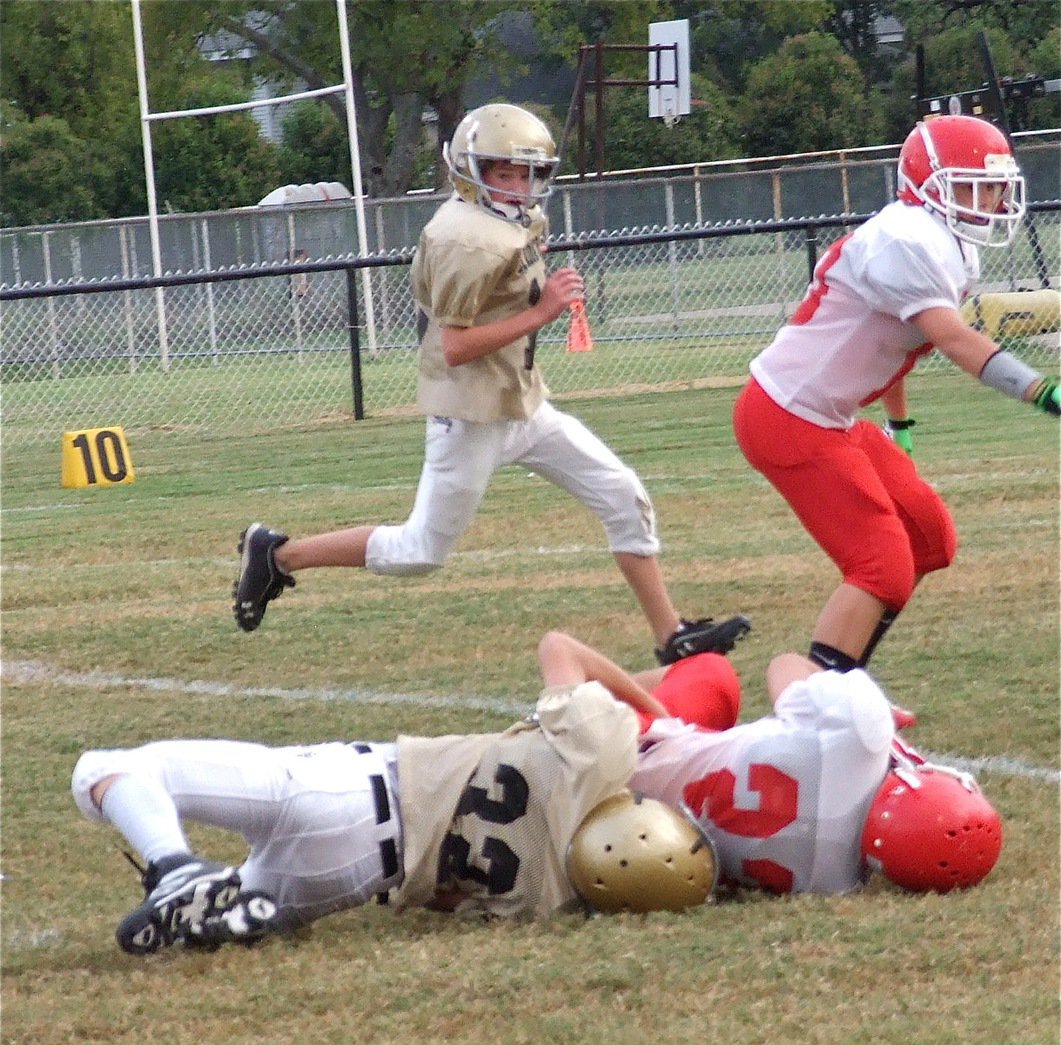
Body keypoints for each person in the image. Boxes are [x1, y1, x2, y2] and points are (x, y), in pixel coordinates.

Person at [232, 102, 749, 666]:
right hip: (472, 412)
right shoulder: (465, 239)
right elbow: (453, 346)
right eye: (505, 171)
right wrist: (541, 311)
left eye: (529, 172)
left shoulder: (507, 220)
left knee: (623, 494)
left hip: (521, 402)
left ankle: (671, 635)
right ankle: (278, 556)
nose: (521, 184)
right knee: (420, 551)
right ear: (470, 168)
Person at [71, 631, 718, 956]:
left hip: (350, 790)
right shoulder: (554, 900)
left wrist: (654, 711)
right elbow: (442, 901)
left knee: (103, 770)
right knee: (240, 906)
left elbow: (557, 646)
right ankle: (242, 911)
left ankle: (175, 865)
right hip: (355, 877)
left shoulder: (597, 750)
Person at [732, 113, 1059, 677]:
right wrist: (1043, 391)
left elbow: (896, 346)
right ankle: (819, 707)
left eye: (997, 184)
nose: (993, 198)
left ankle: (845, 684)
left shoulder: (943, 243)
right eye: (975, 184)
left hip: (830, 416)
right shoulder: (906, 238)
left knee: (929, 539)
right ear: (928, 183)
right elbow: (953, 339)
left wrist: (898, 429)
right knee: (881, 565)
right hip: (789, 415)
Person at [548, 631, 1003, 896]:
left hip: (637, 748)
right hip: (640, 827)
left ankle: (573, 706)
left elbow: (783, 665)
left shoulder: (859, 736)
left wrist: (876, 714)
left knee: (711, 672)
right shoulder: (833, 881)